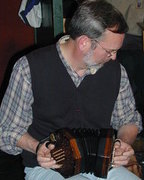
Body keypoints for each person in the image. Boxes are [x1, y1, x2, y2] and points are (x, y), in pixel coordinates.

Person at [0, 0, 143, 179]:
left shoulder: (116, 71)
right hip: (48, 168)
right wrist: (37, 147)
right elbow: (6, 129)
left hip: (103, 165)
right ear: (84, 42)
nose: (114, 58)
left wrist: (123, 143)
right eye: (109, 51)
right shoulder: (29, 67)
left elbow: (128, 120)